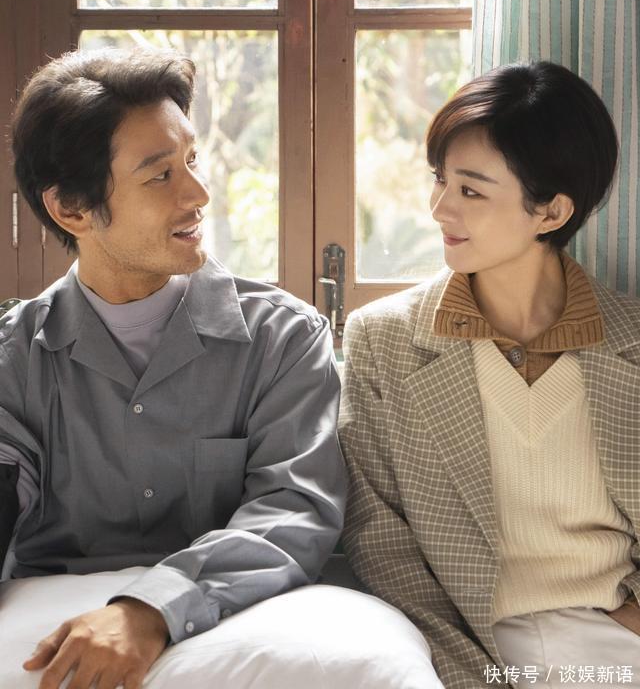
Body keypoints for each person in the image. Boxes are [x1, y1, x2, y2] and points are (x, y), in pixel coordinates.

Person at [1, 45, 347, 689]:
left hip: (243, 626)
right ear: (71, 209)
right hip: (49, 632)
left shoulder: (285, 338)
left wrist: (150, 608)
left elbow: (294, 511)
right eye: (160, 175)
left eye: (191, 160)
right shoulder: (13, 359)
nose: (199, 194)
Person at [339, 61, 640, 688]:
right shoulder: (383, 341)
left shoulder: (632, 342)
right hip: (463, 643)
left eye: (471, 191)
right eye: (440, 180)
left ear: (551, 211)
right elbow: (382, 546)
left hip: (617, 636)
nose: (439, 208)